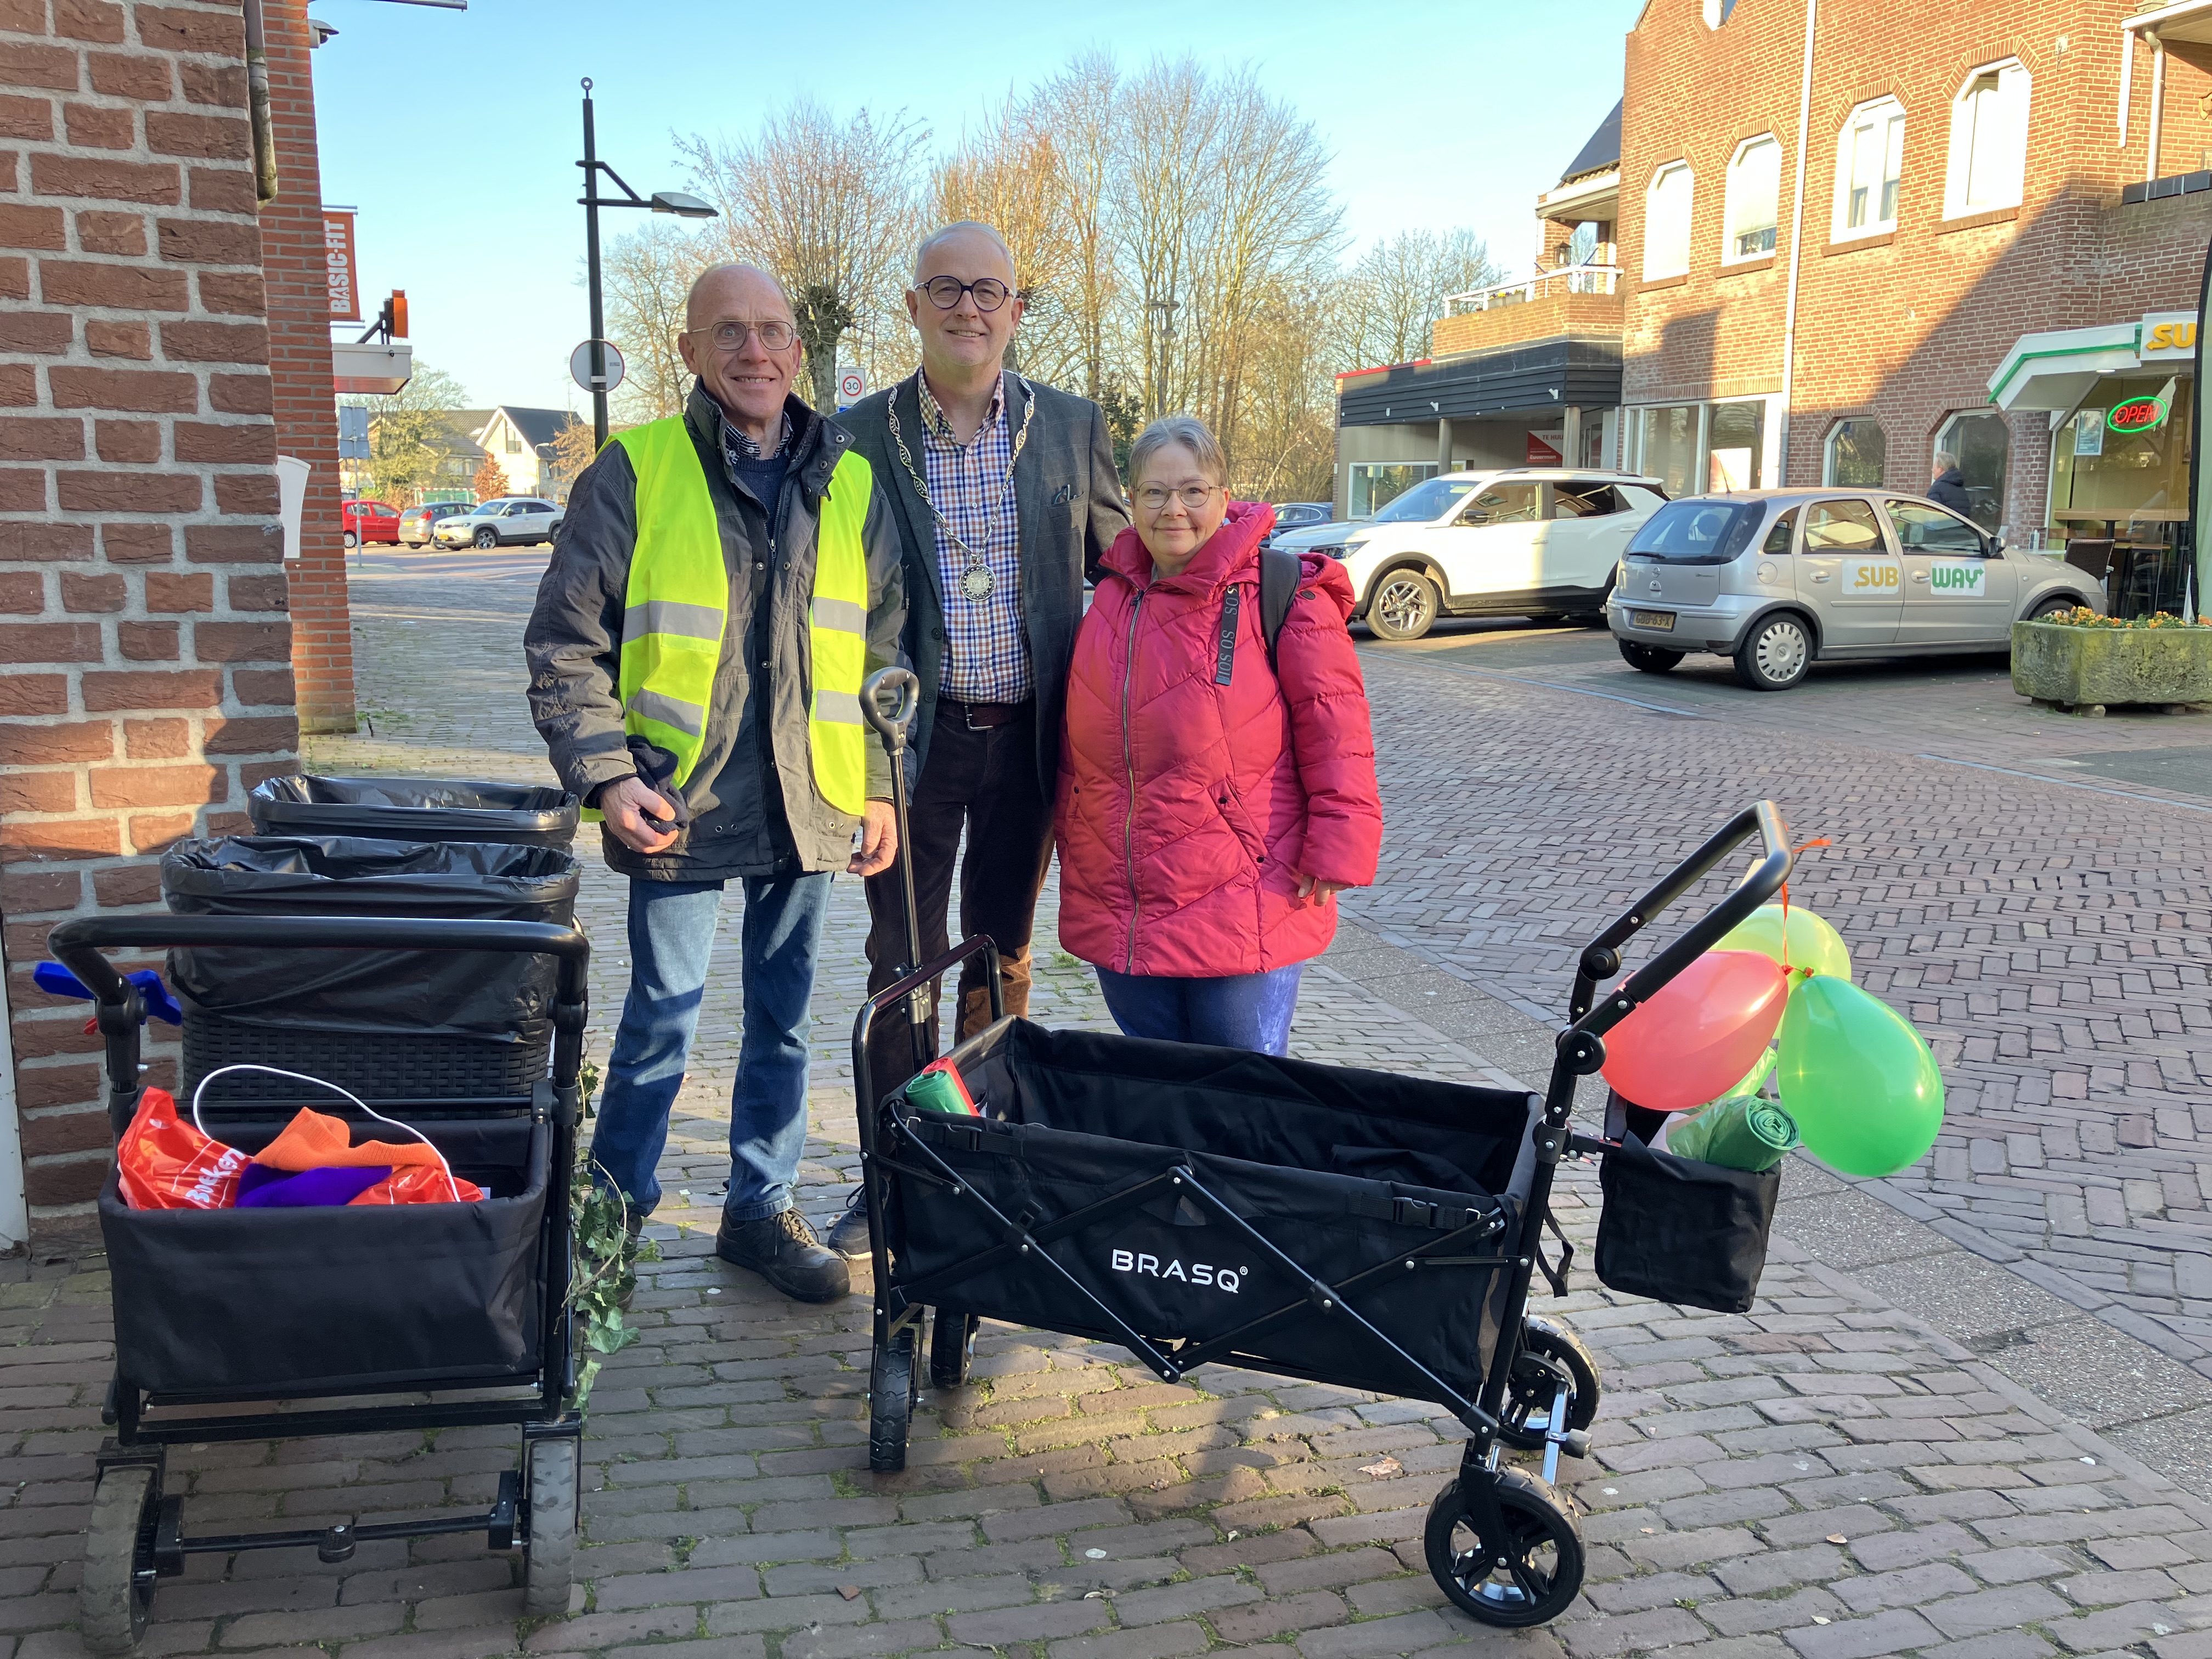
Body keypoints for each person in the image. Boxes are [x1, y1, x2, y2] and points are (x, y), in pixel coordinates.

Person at [524, 263, 906, 1304]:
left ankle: (758, 1210)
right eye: (729, 331)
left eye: (773, 330)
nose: (754, 350)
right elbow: (566, 640)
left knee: (784, 1021)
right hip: (676, 801)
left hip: (808, 794)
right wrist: (607, 777)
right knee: (663, 1017)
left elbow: (885, 648)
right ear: (689, 350)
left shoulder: (851, 479)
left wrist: (879, 782)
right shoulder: (637, 468)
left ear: (799, 349)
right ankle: (608, 1222)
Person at [830, 222, 1127, 1255]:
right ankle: (897, 1173)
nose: (968, 307)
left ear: (1016, 309)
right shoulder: (858, 437)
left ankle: (983, 1161)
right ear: (912, 306)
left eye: (988, 290)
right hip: (911, 747)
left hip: (1031, 742)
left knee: (1000, 953)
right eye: (946, 288)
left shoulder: (1072, 428)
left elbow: (1125, 575)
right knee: (902, 960)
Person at [1053, 415, 1382, 1053]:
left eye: (1193, 491)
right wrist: (1073, 838)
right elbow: (1080, 749)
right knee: (1156, 1083)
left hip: (1244, 889)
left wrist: (1340, 846)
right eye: (1154, 492)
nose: (1173, 509)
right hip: (1124, 896)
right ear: (1131, 502)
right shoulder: (1111, 601)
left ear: (1224, 497)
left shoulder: (1285, 595)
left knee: (1243, 1085)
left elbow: (1337, 730)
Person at [1928, 451, 1973, 516]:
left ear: (1940, 469)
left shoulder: (1936, 489)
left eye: (1934, 466)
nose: (1932, 470)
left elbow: (1932, 515)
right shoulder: (1960, 487)